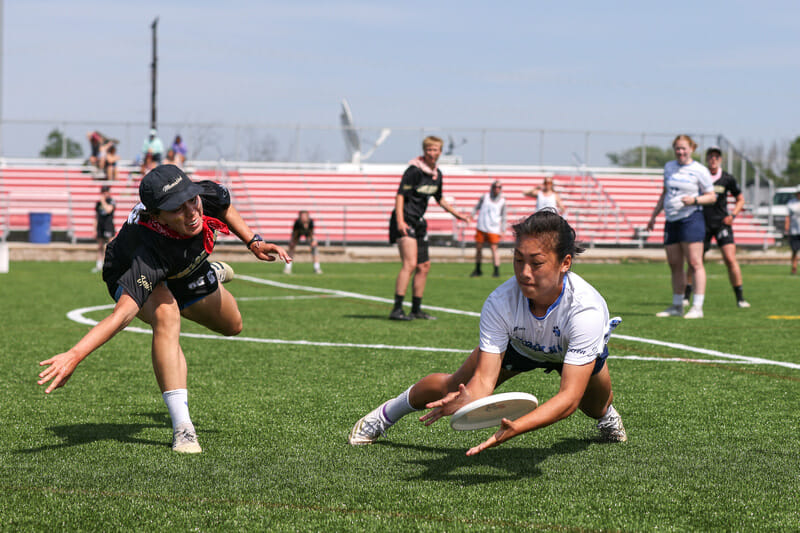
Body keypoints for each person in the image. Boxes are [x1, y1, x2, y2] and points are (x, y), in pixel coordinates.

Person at [37, 164, 291, 454]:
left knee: (233, 325)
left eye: (192, 202)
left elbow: (223, 205)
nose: (192, 212)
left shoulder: (196, 195)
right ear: (155, 214)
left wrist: (253, 241)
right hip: (131, 271)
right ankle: (183, 427)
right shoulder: (147, 252)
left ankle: (209, 274)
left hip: (182, 267)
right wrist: (75, 354)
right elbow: (122, 316)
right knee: (166, 314)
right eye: (176, 209)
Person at [350, 210, 627, 453]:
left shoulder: (585, 310)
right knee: (452, 385)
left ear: (565, 263)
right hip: (520, 346)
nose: (524, 272)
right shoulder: (500, 301)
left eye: (537, 262)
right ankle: (384, 415)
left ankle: (607, 416)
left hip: (572, 350)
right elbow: (483, 380)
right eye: (518, 260)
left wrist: (516, 427)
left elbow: (568, 399)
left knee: (593, 407)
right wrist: (467, 397)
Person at [388, 136, 470, 321]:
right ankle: (397, 309)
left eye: (435, 150)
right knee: (409, 264)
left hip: (419, 221)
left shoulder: (436, 174)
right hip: (405, 219)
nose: (432, 153)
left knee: (424, 266)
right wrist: (400, 221)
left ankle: (416, 309)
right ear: (424, 151)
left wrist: (458, 215)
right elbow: (400, 196)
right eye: (429, 150)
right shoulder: (414, 171)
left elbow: (439, 198)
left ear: (440, 152)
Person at [646, 135, 716, 319]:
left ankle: (697, 307)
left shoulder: (699, 170)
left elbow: (712, 196)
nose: (680, 152)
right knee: (675, 264)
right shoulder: (669, 167)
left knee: (695, 263)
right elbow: (665, 193)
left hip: (691, 218)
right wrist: (654, 216)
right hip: (672, 219)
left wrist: (694, 200)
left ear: (692, 148)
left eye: (684, 148)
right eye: (677, 148)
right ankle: (677, 305)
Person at [684, 146, 749, 308]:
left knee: (730, 259)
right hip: (701, 223)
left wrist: (733, 215)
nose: (713, 159)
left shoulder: (727, 178)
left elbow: (740, 199)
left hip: (721, 224)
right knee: (695, 261)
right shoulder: (700, 176)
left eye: (716, 157)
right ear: (707, 159)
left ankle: (740, 298)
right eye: (710, 156)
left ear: (720, 159)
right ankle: (686, 296)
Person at [470, 180, 507, 278]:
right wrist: (471, 216)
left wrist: (503, 229)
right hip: (482, 226)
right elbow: (476, 207)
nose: (496, 189)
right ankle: (478, 269)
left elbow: (503, 216)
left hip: (494, 228)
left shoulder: (502, 201)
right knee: (478, 249)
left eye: (499, 187)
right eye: (495, 187)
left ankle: (496, 270)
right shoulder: (485, 197)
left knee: (494, 249)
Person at [284, 210, 322, 274]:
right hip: (298, 234)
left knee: (314, 248)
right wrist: (292, 242)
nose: (303, 217)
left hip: (308, 234)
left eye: (304, 216)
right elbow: (295, 233)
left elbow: (311, 233)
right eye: (302, 216)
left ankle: (317, 268)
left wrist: (313, 241)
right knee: (291, 248)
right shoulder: (297, 222)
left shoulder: (311, 222)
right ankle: (288, 267)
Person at [92, 185, 115, 273]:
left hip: (108, 225)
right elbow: (96, 217)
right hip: (100, 226)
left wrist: (103, 202)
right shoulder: (98, 204)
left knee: (110, 246)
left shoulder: (111, 201)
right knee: (100, 246)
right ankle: (99, 264)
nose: (104, 194)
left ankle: (111, 264)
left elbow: (109, 210)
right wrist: (94, 228)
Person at [785, 188, 800, 275]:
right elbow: (787, 217)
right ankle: (794, 268)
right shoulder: (791, 203)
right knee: (794, 250)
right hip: (794, 230)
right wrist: (786, 228)